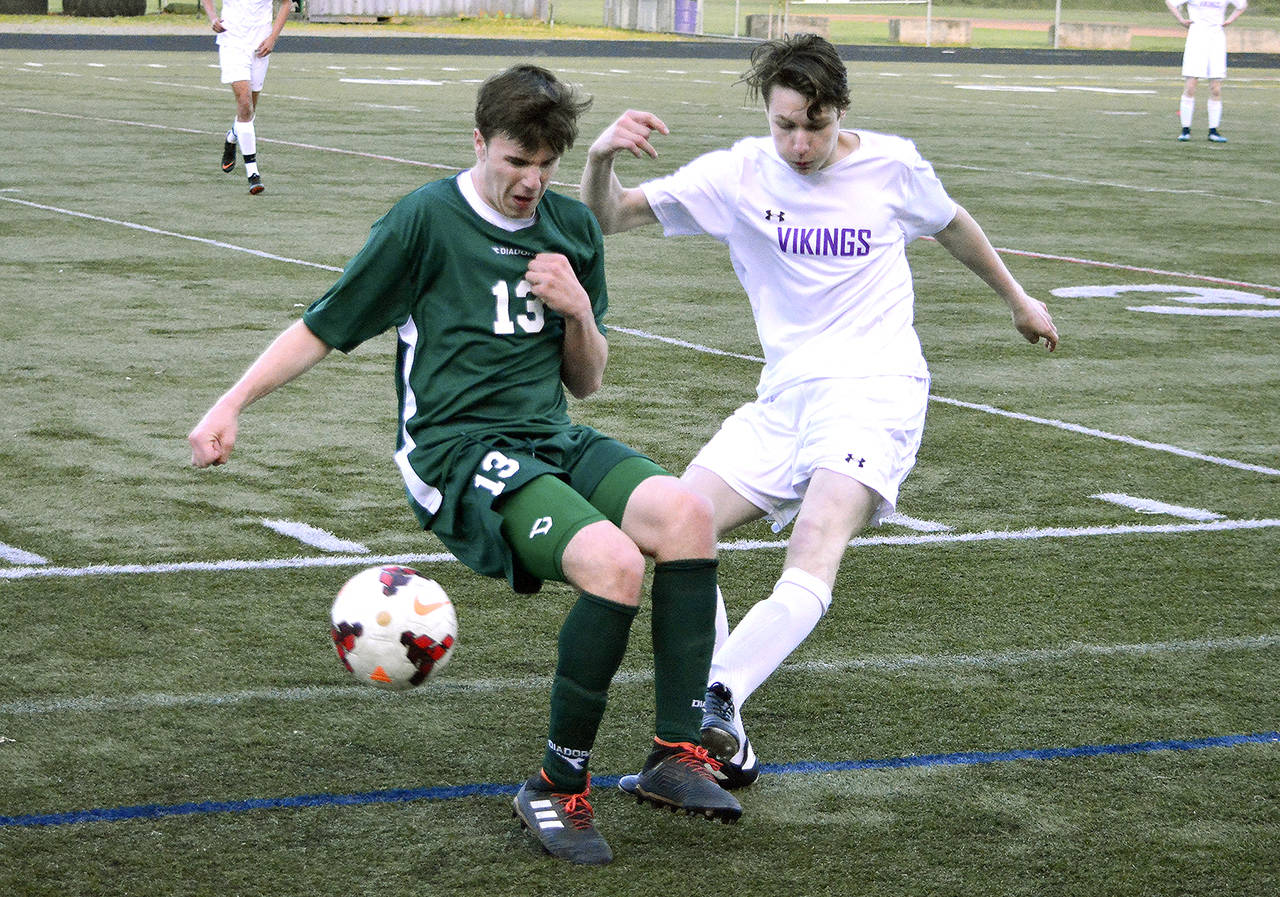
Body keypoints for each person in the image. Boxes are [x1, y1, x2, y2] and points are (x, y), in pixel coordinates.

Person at [188, 64, 741, 865]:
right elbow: (324, 324)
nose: (530, 181)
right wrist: (229, 404)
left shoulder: (571, 229)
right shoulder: (425, 220)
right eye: (516, 161)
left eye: (546, 165)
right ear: (480, 142)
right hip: (456, 449)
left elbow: (585, 381)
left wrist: (579, 308)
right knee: (614, 562)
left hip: (545, 433)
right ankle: (558, 786)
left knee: (687, 514)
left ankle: (675, 754)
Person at [580, 33, 1059, 790]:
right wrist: (601, 156)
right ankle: (724, 728)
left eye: (816, 123)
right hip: (785, 396)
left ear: (841, 110)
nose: (800, 142)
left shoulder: (893, 164)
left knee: (815, 540)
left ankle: (718, 694)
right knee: (671, 523)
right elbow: (610, 217)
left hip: (877, 387)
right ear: (766, 115)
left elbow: (952, 223)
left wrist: (1020, 300)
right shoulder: (737, 173)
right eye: (785, 124)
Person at [201, 0, 293, 193]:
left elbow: (286, 3)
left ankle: (233, 136)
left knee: (249, 112)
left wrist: (272, 38)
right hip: (232, 42)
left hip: (260, 46)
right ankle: (253, 173)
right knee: (244, 103)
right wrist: (213, 18)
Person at [1166, 0, 1248, 142]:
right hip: (1196, 40)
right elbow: (1171, 2)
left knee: (1216, 88)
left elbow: (1242, 5)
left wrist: (1230, 20)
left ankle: (1213, 131)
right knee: (1191, 86)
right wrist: (1180, 19)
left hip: (1216, 40)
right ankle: (1185, 130)